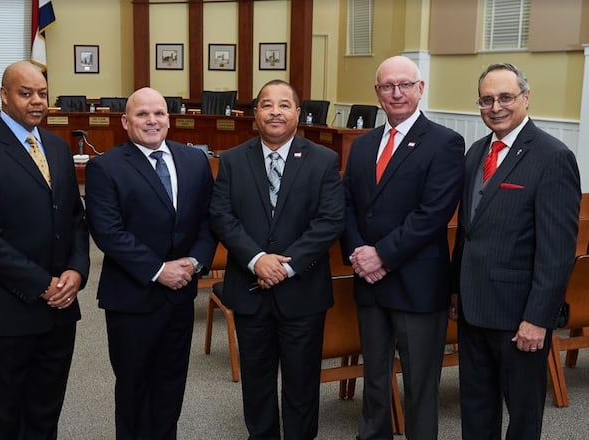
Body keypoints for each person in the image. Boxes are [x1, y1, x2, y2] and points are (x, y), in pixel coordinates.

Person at [0, 61, 90, 439]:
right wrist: (41, 284)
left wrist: (77, 273)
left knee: (46, 414)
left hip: (61, 310)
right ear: (4, 95)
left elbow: (76, 220)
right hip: (7, 311)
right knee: (7, 418)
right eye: (25, 93)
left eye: (42, 94)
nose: (36, 101)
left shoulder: (58, 148)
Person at [451, 62, 580, 439]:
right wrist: (455, 290)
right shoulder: (476, 152)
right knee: (475, 410)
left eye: (505, 97)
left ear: (525, 98)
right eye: (486, 99)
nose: (496, 107)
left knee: (522, 417)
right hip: (473, 311)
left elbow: (557, 251)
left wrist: (538, 319)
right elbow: (468, 231)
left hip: (519, 317)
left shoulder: (552, 157)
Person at [210, 79, 343, 439]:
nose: (275, 112)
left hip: (302, 291)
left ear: (298, 113)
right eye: (266, 105)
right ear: (255, 114)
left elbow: (329, 220)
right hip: (250, 290)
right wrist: (257, 260)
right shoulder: (234, 160)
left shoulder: (323, 160)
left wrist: (284, 264)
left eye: (284, 105)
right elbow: (222, 216)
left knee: (302, 385)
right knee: (257, 386)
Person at [342, 55, 465, 439]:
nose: (396, 93)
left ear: (420, 89)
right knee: (375, 383)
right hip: (370, 284)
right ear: (377, 93)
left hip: (417, 284)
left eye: (404, 85)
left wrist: (381, 255)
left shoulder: (445, 142)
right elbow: (345, 205)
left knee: (420, 386)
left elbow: (433, 214)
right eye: (387, 86)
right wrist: (359, 252)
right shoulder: (362, 147)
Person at [85, 87, 216, 439]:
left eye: (158, 113)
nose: (152, 120)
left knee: (171, 384)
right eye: (142, 114)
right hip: (133, 298)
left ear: (169, 120)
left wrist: (193, 262)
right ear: (126, 122)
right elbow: (108, 232)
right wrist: (159, 270)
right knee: (134, 386)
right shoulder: (105, 167)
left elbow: (208, 220)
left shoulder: (194, 162)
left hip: (180, 296)